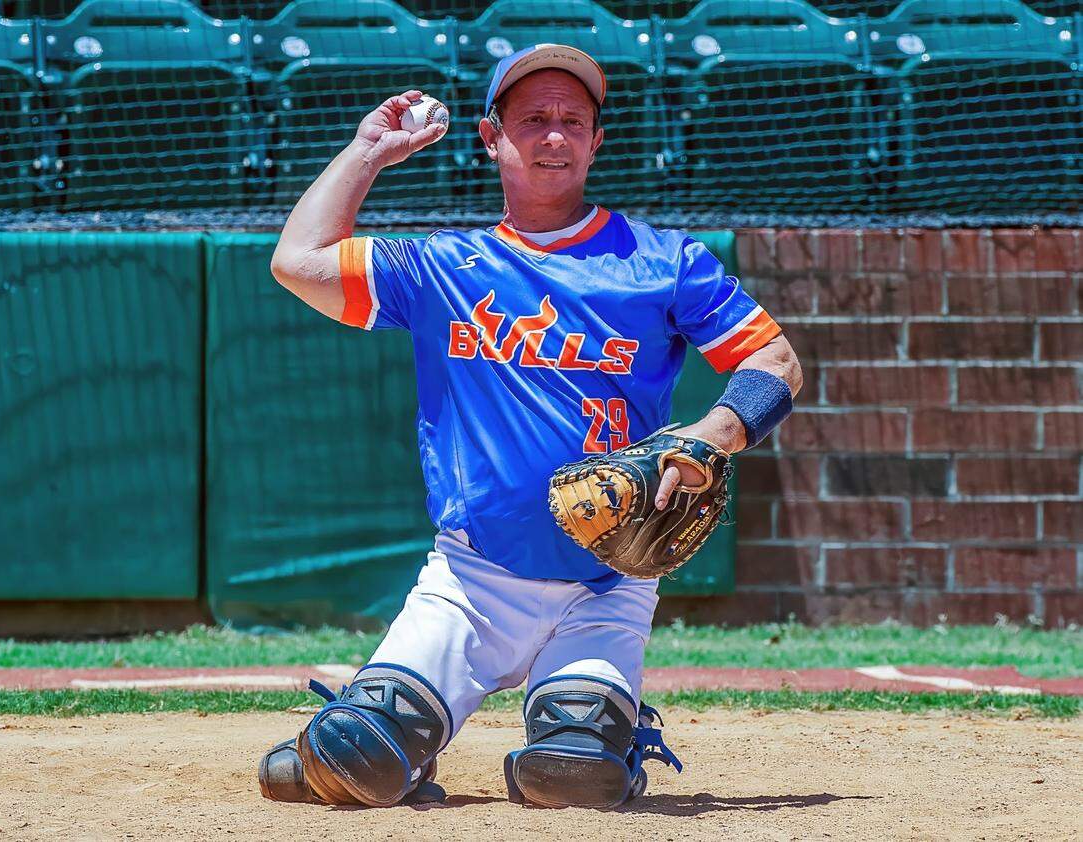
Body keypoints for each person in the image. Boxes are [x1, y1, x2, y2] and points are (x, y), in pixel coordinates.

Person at [262, 44, 803, 810]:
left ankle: (601, 728)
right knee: (358, 759)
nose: (555, 135)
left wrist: (710, 435)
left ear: (597, 140)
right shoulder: (442, 266)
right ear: (492, 137)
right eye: (535, 119)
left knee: (574, 772)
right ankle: (362, 738)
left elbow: (775, 362)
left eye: (573, 120)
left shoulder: (665, 262)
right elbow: (297, 260)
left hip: (608, 581)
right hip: (474, 580)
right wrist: (367, 153)